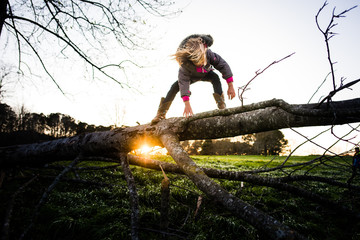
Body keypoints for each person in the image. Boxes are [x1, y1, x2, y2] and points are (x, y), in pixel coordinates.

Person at [151, 34, 236, 125]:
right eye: (197, 62)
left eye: (201, 60)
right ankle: (161, 113)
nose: (200, 64)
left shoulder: (209, 54)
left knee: (215, 78)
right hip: (191, 76)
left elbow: (223, 65)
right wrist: (187, 104)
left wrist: (230, 85)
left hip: (206, 73)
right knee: (175, 86)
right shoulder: (185, 65)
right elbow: (183, 83)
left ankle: (221, 105)